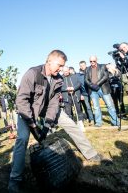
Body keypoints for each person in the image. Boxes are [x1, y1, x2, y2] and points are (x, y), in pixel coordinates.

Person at [8, 50, 104, 193]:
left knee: (72, 125)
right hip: (28, 109)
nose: (61, 69)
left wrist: (46, 125)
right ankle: (15, 179)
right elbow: (21, 101)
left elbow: (53, 103)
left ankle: (90, 153)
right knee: (22, 139)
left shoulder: (58, 79)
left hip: (47, 108)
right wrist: (33, 126)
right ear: (49, 61)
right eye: (59, 65)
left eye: (63, 66)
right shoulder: (32, 73)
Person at [84, 56, 119, 127]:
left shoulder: (102, 66)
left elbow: (105, 76)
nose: (92, 62)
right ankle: (98, 122)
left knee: (110, 105)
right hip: (92, 90)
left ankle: (115, 122)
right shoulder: (87, 69)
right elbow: (86, 80)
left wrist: (97, 84)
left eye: (94, 61)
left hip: (103, 89)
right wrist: (92, 86)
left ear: (97, 60)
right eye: (91, 61)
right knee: (96, 107)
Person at [61, 66, 85, 131]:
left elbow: (79, 84)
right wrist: (66, 89)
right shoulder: (60, 78)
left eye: (67, 71)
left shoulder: (75, 76)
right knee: (68, 112)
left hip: (75, 95)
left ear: (69, 70)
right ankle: (71, 126)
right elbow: (59, 87)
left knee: (78, 110)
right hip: (66, 96)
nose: (66, 72)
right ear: (62, 71)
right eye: (64, 71)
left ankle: (80, 124)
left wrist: (73, 88)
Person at [115, 42, 128, 109]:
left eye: (124, 47)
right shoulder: (127, 55)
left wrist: (124, 57)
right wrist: (117, 62)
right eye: (122, 48)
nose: (123, 49)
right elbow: (123, 68)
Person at [78, 61, 94, 125]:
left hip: (93, 92)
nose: (82, 67)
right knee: (88, 107)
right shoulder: (78, 75)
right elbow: (79, 86)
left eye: (83, 65)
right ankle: (91, 119)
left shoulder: (90, 71)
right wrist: (81, 94)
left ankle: (98, 119)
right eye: (81, 66)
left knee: (96, 106)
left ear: (86, 65)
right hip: (85, 94)